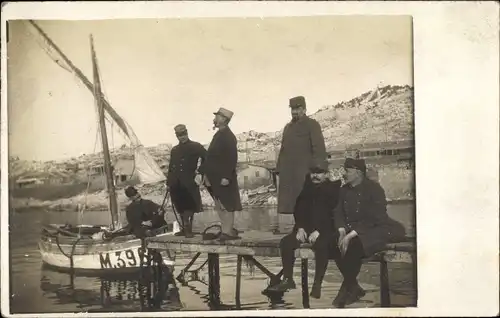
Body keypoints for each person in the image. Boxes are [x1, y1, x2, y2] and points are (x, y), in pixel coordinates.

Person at [332, 158, 406, 308]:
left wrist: (351, 234)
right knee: (333, 245)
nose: (343, 174)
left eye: (347, 171)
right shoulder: (343, 190)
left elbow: (375, 217)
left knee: (354, 246)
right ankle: (353, 286)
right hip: (350, 230)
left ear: (358, 173)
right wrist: (341, 231)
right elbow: (337, 212)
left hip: (376, 227)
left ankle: (347, 287)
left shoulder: (374, 189)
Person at [268, 164, 342, 299]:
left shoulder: (333, 190)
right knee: (286, 243)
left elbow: (335, 215)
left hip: (326, 230)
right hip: (305, 230)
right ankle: (288, 279)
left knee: (322, 245)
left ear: (326, 174)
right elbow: (299, 210)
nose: (315, 176)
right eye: (313, 172)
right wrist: (300, 228)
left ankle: (317, 284)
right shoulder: (306, 189)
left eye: (319, 173)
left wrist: (320, 230)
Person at [275, 95, 328, 232]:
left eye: (297, 109)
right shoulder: (288, 127)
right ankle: (294, 229)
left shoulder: (312, 125)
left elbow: (319, 148)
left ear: (304, 109)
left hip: (304, 171)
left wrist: (318, 170)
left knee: (306, 200)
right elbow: (283, 149)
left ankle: (310, 227)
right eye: (292, 109)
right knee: (291, 203)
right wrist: (279, 169)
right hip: (288, 172)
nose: (294, 112)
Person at [198, 107, 243, 241]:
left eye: (217, 116)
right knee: (220, 205)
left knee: (227, 205)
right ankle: (225, 230)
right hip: (214, 178)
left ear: (224, 119)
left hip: (223, 178)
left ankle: (228, 232)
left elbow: (231, 158)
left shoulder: (228, 136)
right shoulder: (219, 135)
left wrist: (226, 177)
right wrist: (202, 172)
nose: (215, 119)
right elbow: (210, 157)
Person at [166, 124, 207, 238]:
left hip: (189, 181)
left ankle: (188, 228)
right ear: (176, 136)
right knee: (180, 206)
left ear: (187, 133)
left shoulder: (196, 146)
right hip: (176, 182)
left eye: (183, 134)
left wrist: (200, 172)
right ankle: (185, 229)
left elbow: (207, 158)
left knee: (190, 206)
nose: (182, 137)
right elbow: (171, 167)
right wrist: (169, 183)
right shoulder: (174, 150)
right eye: (179, 135)